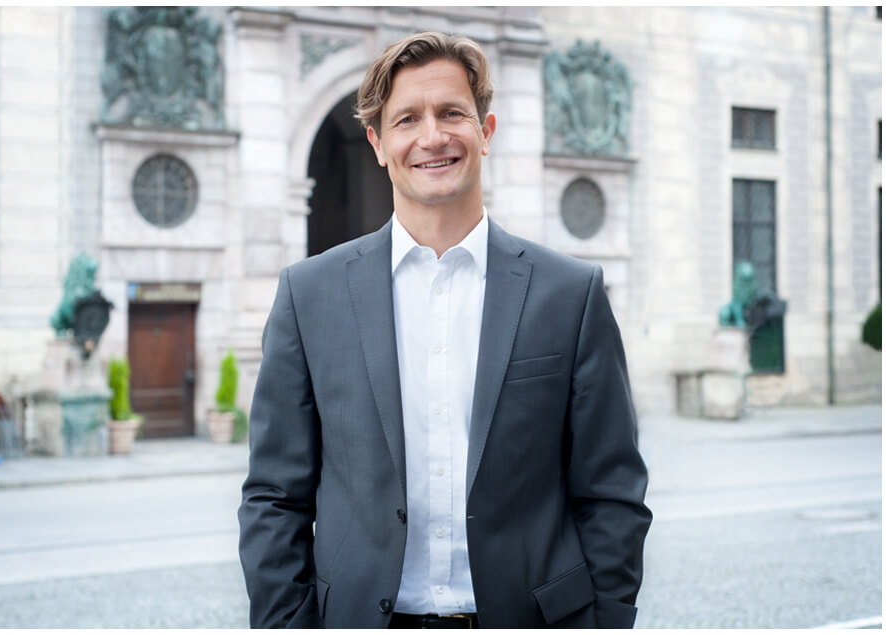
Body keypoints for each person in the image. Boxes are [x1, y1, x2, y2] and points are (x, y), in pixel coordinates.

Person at [238, 31, 651, 629]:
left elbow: (612, 491)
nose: (432, 136)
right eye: (407, 119)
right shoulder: (309, 295)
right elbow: (275, 497)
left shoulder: (571, 294)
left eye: (451, 112)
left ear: (485, 130)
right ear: (378, 143)